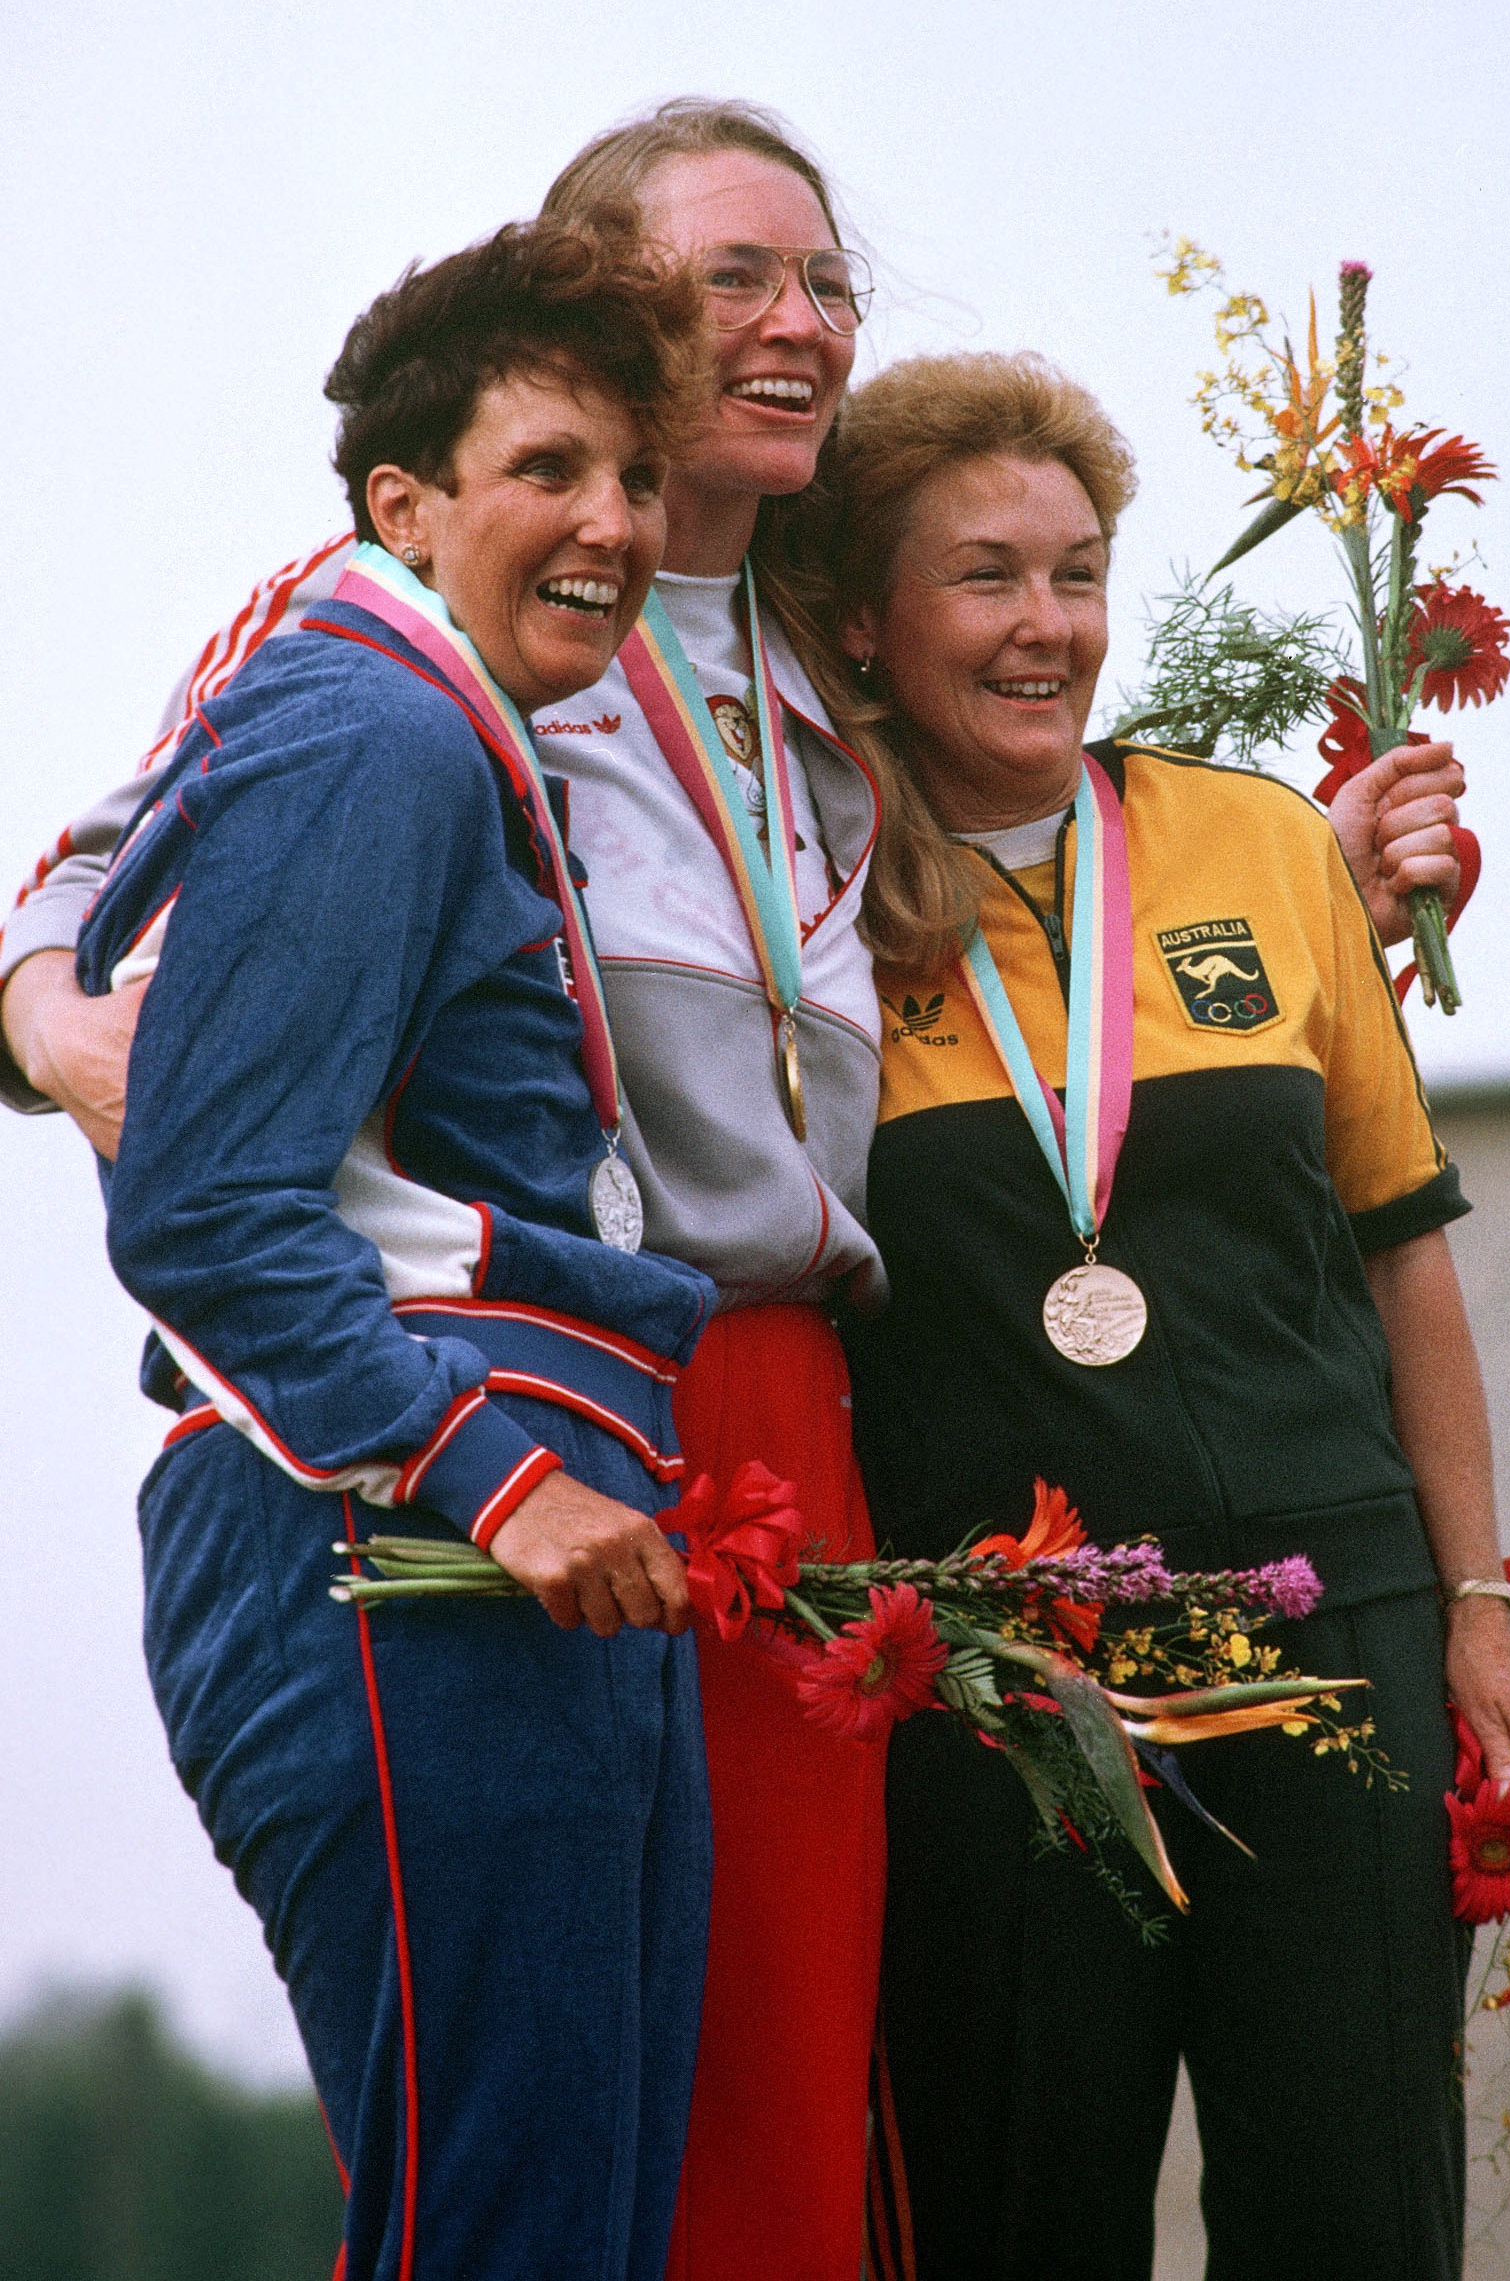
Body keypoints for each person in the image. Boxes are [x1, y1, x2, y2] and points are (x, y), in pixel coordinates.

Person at [0, 100, 1469, 2279]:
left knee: (775, 2067)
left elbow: (1052, 874)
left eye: (824, 285)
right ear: (599, 318)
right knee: (555, 2097)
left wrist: (1321, 885)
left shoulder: (816, 636)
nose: (797, 324)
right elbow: (109, 867)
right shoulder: (429, 617)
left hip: (789, 1414)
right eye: (730, 285)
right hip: (512, 1394)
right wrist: (50, 1015)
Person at [772, 349, 1510, 2280]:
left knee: (1355, 2214)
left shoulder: (1262, 847)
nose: (1045, 625)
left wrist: (1477, 1612)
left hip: (1336, 1631)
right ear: (866, 620)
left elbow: (1401, 1251)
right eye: (985, 576)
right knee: (1016, 2214)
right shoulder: (801, 901)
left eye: (1077, 570)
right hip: (1014, 1675)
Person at [67, 210, 724, 2279]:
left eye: (633, 476)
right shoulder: (374, 733)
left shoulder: (438, 730)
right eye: (549, 469)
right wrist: (497, 1481)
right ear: (403, 501)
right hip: (401, 1551)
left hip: (500, 1558)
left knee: (566, 2234)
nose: (608, 521)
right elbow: (202, 1206)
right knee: (507, 2238)